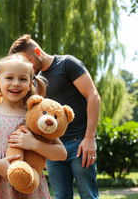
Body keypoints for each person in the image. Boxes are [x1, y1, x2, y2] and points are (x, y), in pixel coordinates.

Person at [0, 54, 67, 199]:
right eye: (9, 78)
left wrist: (33, 144)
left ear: (30, 84)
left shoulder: (35, 116)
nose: (16, 83)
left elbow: (61, 153)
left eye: (22, 79)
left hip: (30, 186)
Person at [9, 35, 101, 199]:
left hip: (79, 144)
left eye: (27, 61)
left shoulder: (67, 64)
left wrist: (89, 138)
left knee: (88, 195)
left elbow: (93, 96)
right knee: (60, 196)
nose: (26, 67)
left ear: (37, 51)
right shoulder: (34, 81)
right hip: (52, 148)